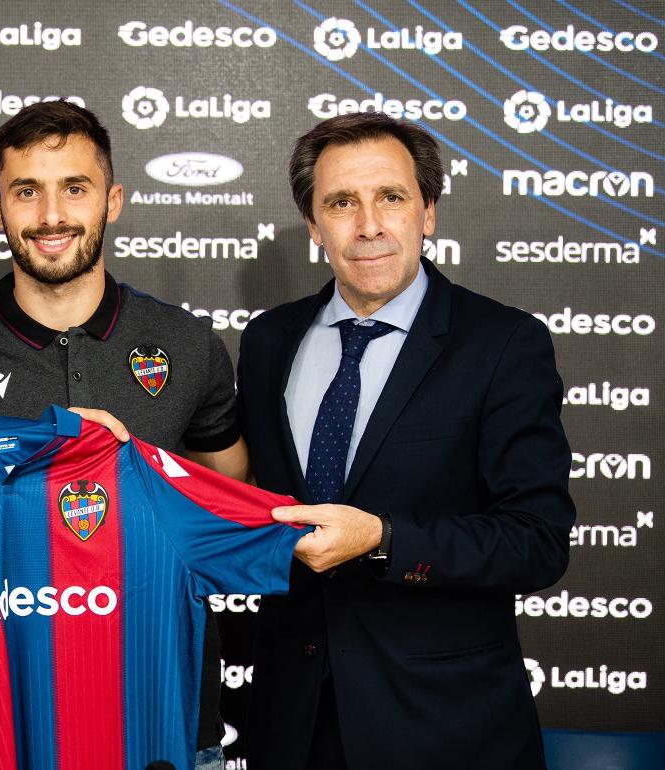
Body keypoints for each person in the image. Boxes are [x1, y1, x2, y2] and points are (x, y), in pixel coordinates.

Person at [0, 100, 247, 770]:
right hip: (1, 722)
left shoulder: (189, 344)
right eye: (27, 191)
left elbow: (230, 502)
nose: (51, 216)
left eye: (74, 188)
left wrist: (133, 470)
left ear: (112, 200)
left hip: (163, 715)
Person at [235, 112, 574, 769]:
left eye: (391, 197)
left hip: (444, 729)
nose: (368, 226)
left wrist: (384, 540)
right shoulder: (268, 341)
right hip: (290, 726)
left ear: (428, 213)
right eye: (341, 203)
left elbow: (537, 541)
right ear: (313, 225)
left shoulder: (502, 343)